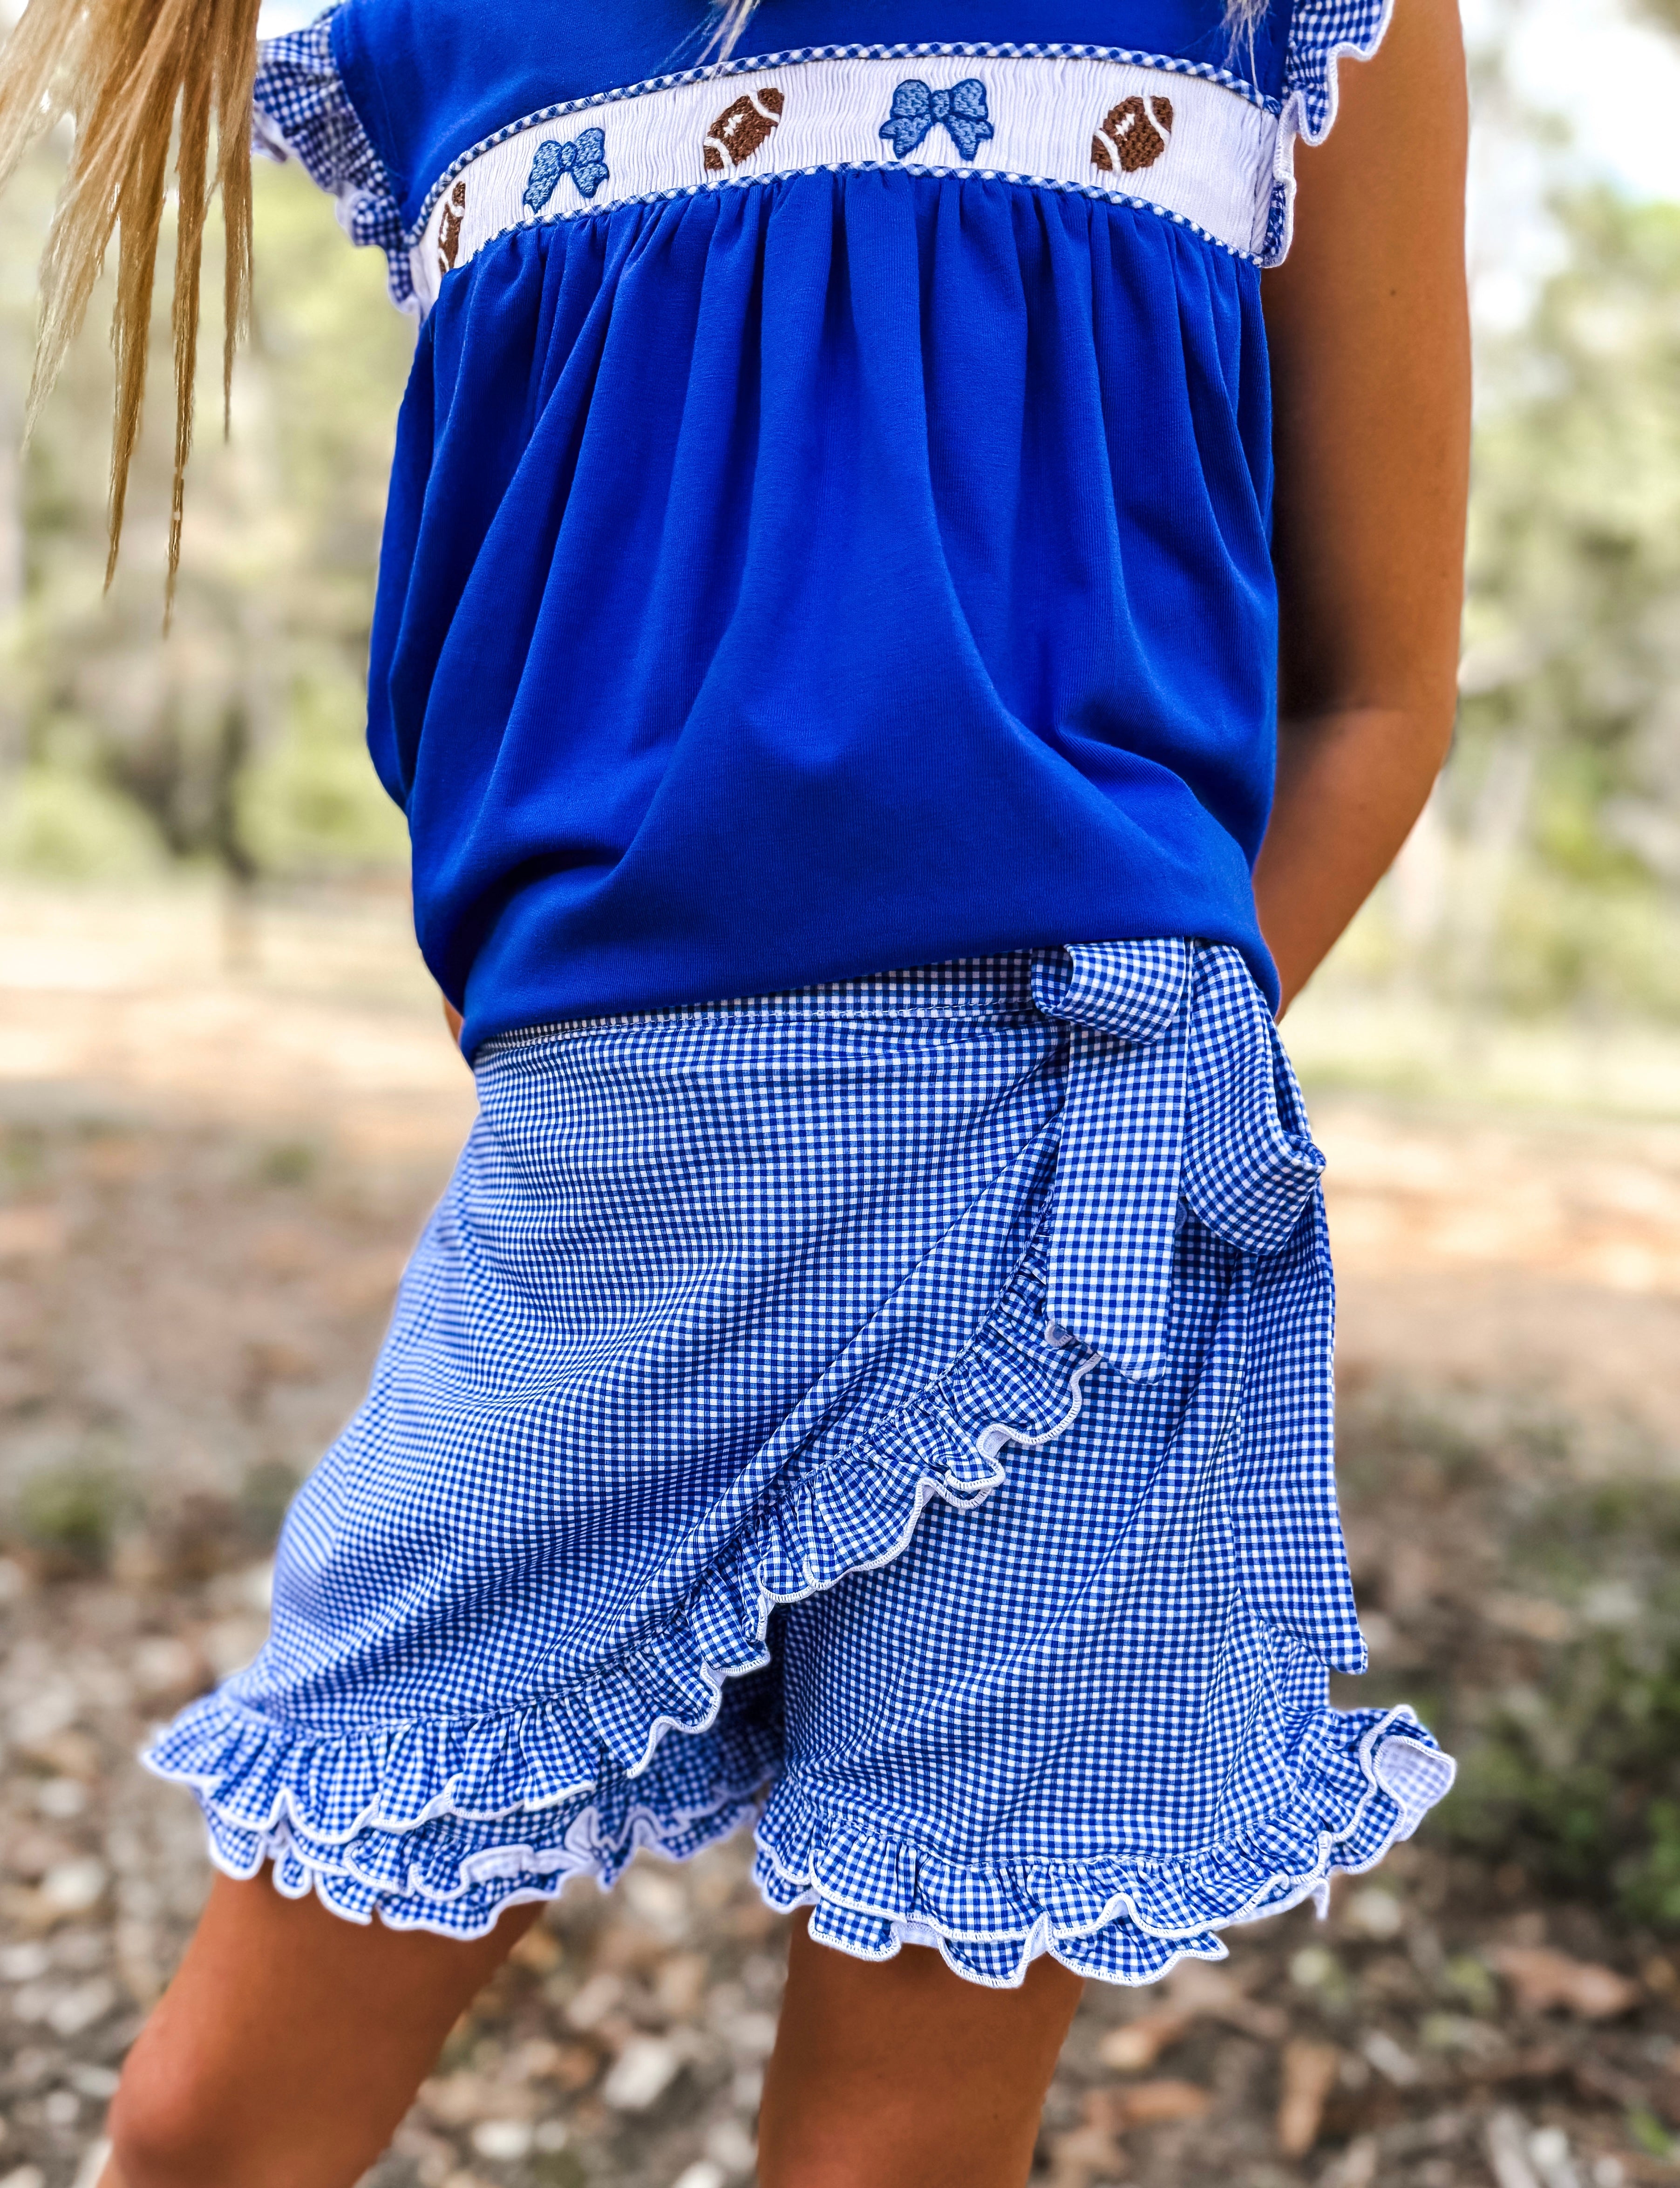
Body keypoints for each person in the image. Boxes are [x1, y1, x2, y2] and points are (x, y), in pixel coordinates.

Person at [0, 0, 1470, 2176]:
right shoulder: (428, 39)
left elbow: (1378, 688)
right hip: (611, 1173)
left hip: (1103, 1152)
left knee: (890, 2151)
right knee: (211, 2125)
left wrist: (1156, 1092)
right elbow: (507, 687)